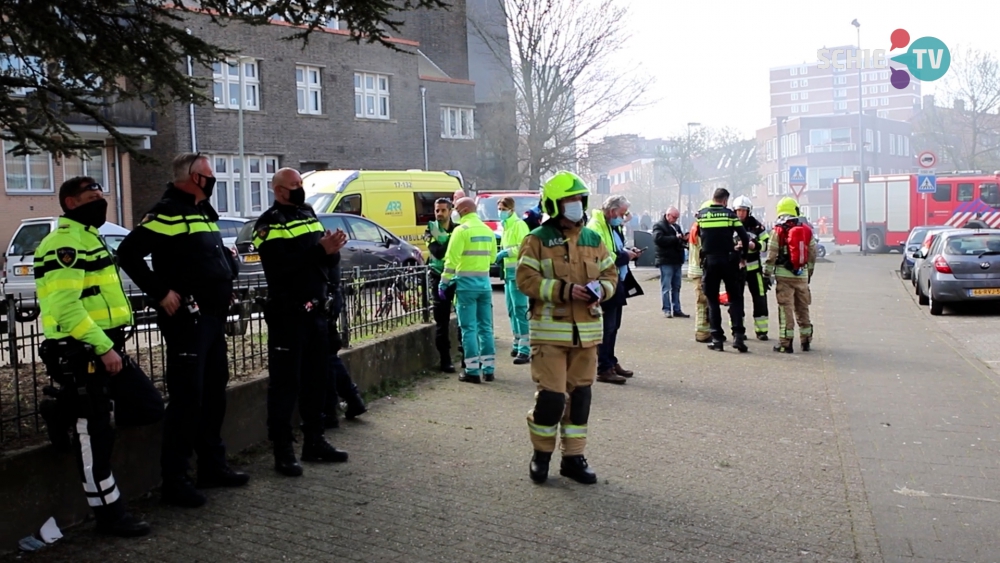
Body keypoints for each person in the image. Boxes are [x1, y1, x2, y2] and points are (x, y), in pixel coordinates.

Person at [34, 177, 165, 537]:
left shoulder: (90, 238)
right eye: (92, 198)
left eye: (102, 196)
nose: (101, 202)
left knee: (149, 406)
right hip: (84, 351)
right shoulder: (63, 244)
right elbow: (66, 308)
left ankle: (59, 410)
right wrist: (102, 347)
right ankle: (111, 516)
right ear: (71, 203)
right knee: (95, 439)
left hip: (107, 345)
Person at [118, 153, 248, 508]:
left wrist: (225, 280)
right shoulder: (167, 212)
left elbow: (208, 257)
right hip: (187, 322)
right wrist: (161, 292)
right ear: (192, 177)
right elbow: (128, 254)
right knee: (187, 399)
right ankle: (175, 479)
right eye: (208, 174)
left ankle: (212, 465)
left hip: (213, 316)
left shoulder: (202, 211)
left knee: (213, 393)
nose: (213, 179)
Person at [516, 171, 617, 484]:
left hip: (586, 334)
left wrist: (600, 291)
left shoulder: (593, 239)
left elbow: (611, 275)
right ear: (554, 204)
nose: (576, 205)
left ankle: (573, 458)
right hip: (550, 334)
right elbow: (525, 280)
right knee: (552, 399)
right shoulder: (537, 240)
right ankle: (541, 455)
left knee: (581, 397)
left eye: (578, 199)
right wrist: (563, 289)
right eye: (568, 200)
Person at [253, 167, 350, 476]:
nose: (299, 188)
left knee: (316, 380)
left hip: (316, 313)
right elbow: (279, 267)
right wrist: (318, 250)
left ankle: (314, 441)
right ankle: (283, 452)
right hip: (288, 315)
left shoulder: (308, 213)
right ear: (279, 190)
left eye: (300, 184)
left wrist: (331, 251)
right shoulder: (268, 224)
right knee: (285, 385)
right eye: (293, 185)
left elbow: (322, 256)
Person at [438, 197, 497, 383]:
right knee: (486, 328)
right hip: (485, 286)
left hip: (465, 287)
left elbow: (451, 261)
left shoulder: (460, 231)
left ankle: (472, 371)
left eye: (455, 208)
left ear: (462, 210)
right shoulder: (488, 230)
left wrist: (444, 283)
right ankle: (489, 369)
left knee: (469, 329)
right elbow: (493, 258)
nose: (454, 211)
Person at [588, 195, 643, 385]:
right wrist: (625, 256)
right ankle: (604, 368)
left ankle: (610, 361)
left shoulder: (610, 226)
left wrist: (628, 251)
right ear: (612, 212)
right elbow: (603, 255)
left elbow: (614, 248)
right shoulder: (596, 227)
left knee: (614, 326)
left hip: (616, 279)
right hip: (605, 282)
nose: (624, 217)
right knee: (607, 327)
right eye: (622, 213)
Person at [697, 188, 753, 353]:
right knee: (735, 298)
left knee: (713, 300)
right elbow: (744, 237)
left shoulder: (702, 215)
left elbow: (700, 236)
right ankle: (738, 337)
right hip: (729, 261)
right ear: (725, 200)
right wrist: (742, 255)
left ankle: (717, 339)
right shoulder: (730, 215)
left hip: (710, 261)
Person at [764, 197, 817, 353]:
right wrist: (808, 274)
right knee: (803, 308)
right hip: (801, 276)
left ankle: (785, 343)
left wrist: (767, 274)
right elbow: (812, 254)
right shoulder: (806, 230)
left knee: (785, 309)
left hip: (783, 276)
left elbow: (771, 254)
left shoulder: (778, 230)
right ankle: (806, 340)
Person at [424, 198, 460, 372]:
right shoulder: (430, 229)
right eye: (437, 210)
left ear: (450, 211)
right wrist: (452, 242)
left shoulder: (458, 228)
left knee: (463, 319)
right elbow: (437, 253)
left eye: (443, 210)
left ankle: (467, 356)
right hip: (439, 278)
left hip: (457, 277)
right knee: (442, 321)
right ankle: (445, 360)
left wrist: (446, 240)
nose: (439, 214)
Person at [495, 196, 531, 364]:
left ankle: (525, 348)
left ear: (511, 209)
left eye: (503, 209)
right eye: (499, 209)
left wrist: (505, 253)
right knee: (512, 309)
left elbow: (524, 247)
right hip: (509, 274)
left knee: (520, 308)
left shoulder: (518, 225)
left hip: (518, 273)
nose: (500, 212)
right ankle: (517, 342)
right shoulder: (506, 227)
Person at [732, 196, 770, 340]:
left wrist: (755, 245)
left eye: (744, 210)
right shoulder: (730, 224)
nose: (741, 213)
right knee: (736, 300)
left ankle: (762, 331)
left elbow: (767, 244)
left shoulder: (756, 226)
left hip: (754, 270)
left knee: (760, 298)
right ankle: (737, 329)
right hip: (736, 269)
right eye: (738, 210)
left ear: (749, 211)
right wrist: (734, 247)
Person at [652, 206, 689, 319]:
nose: (675, 220)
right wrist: (675, 238)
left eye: (677, 218)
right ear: (667, 215)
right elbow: (658, 240)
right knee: (666, 287)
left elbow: (678, 241)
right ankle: (667, 309)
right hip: (666, 260)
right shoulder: (658, 226)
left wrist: (683, 239)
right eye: (674, 217)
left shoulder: (676, 226)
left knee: (676, 286)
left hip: (677, 260)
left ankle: (677, 309)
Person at [687, 200, 713, 343]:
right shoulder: (702, 229)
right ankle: (702, 333)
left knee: (703, 302)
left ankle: (704, 331)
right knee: (702, 302)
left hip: (696, 270)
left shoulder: (695, 226)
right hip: (700, 270)